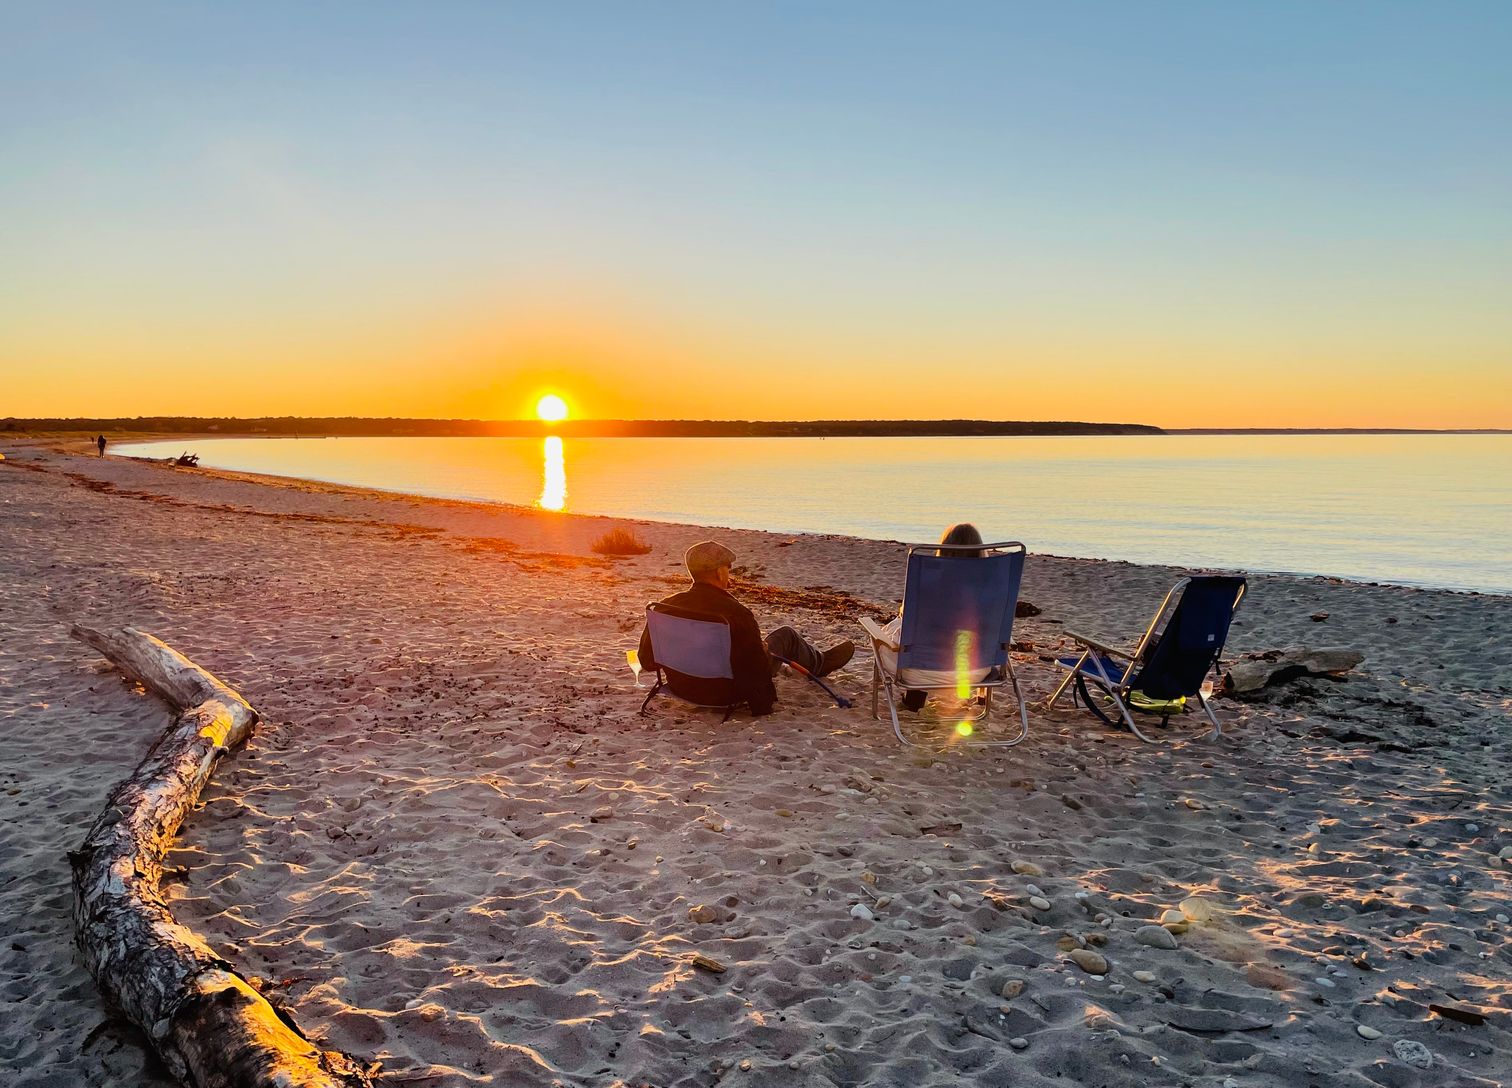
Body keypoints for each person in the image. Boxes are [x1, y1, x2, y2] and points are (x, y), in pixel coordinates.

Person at [638, 540, 853, 716]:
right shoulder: (735, 614)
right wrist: (763, 704)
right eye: (728, 567)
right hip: (725, 693)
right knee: (785, 636)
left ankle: (813, 661)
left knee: (765, 644)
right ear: (719, 573)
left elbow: (646, 661)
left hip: (681, 686)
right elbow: (755, 672)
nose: (729, 572)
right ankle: (820, 664)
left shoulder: (664, 607)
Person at [871, 523, 994, 712]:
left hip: (921, 672)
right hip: (976, 672)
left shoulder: (927, 584)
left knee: (900, 634)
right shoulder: (991, 590)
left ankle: (914, 700)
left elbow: (907, 619)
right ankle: (981, 699)